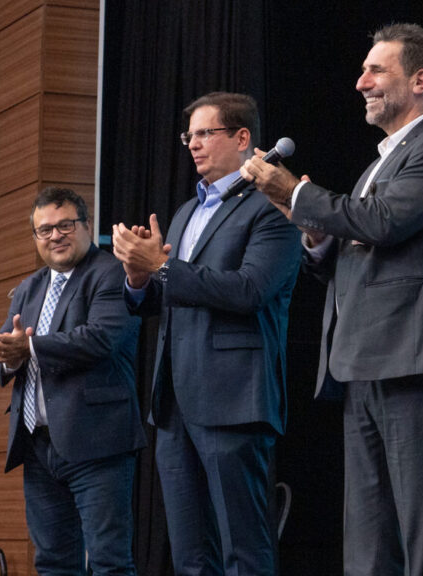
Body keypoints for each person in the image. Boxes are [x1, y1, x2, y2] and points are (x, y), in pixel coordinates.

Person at [239, 23, 423, 576]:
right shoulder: (376, 166)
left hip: (418, 361)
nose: (360, 82)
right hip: (362, 363)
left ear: (420, 80)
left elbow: (383, 222)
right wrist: (318, 239)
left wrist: (296, 194)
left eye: (377, 70)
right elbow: (358, 250)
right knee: (367, 541)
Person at [111, 92, 301, 575]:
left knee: (244, 550)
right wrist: (138, 279)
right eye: (188, 135)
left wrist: (163, 268)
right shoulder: (184, 212)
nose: (193, 144)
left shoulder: (270, 208)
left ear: (242, 139)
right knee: (190, 554)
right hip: (174, 403)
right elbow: (165, 296)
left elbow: (249, 290)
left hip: (233, 400)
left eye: (204, 133)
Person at [0, 187, 144, 575]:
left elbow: (101, 338)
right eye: (44, 230)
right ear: (36, 238)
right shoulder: (29, 288)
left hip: (98, 444)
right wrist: (6, 358)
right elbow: (0, 350)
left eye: (65, 225)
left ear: (87, 226)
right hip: (38, 448)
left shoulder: (111, 273)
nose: (55, 236)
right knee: (53, 562)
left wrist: (30, 348)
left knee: (108, 562)